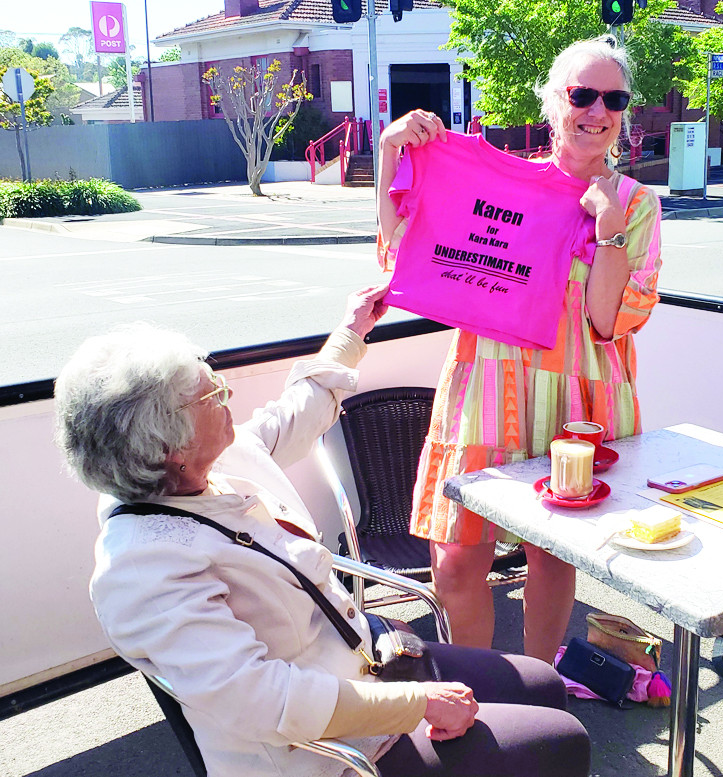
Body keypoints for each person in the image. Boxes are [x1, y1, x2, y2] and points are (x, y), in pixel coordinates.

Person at [54, 285, 590, 777]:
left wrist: (352, 332)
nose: (229, 398)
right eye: (213, 396)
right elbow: (267, 700)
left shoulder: (219, 462)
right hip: (326, 751)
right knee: (561, 740)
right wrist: (420, 703)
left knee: (541, 685)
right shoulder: (141, 570)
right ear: (170, 447)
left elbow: (295, 414)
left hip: (368, 656)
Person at [375, 36, 662, 663]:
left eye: (613, 98)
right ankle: (479, 696)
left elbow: (608, 322)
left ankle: (538, 687)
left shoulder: (637, 205)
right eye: (582, 94)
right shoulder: (498, 183)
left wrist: (608, 230)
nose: (597, 110)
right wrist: (392, 149)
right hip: (488, 387)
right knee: (454, 562)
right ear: (553, 103)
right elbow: (401, 251)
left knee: (551, 559)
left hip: (578, 398)